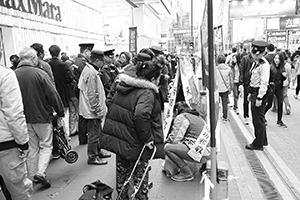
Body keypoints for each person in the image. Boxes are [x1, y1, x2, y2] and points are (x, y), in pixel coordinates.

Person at [100, 60, 164, 199]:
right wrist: (147, 139)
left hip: (121, 138)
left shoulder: (124, 85)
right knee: (140, 179)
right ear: (153, 78)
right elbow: (141, 115)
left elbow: (112, 104)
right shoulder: (147, 93)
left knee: (122, 176)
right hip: (137, 143)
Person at [15, 47, 64, 188]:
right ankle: (41, 173)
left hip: (24, 118)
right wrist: (60, 112)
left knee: (32, 147)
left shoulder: (13, 75)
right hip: (42, 115)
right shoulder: (39, 73)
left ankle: (32, 176)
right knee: (46, 145)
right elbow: (53, 94)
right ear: (33, 58)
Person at [0, 53, 33, 200]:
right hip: (5, 145)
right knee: (19, 192)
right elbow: (14, 113)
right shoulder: (5, 75)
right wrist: (23, 142)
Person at [78, 50, 110, 165]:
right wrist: (98, 110)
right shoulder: (91, 73)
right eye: (102, 61)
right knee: (94, 134)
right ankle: (92, 156)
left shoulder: (90, 70)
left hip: (90, 109)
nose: (104, 64)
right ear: (97, 61)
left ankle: (98, 150)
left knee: (98, 132)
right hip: (92, 110)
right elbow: (92, 94)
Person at [164, 101, 210, 182]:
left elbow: (175, 139)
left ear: (176, 111)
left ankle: (186, 173)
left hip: (200, 154)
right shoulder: (198, 117)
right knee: (180, 146)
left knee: (168, 148)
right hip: (208, 153)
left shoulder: (182, 117)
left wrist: (165, 141)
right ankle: (200, 168)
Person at [245, 41, 270, 151]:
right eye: (253, 53)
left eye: (256, 54)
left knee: (258, 120)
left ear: (262, 53)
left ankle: (258, 143)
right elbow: (253, 79)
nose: (254, 56)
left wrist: (260, 97)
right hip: (254, 92)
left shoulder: (264, 65)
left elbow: (264, 82)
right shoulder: (256, 63)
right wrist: (251, 93)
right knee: (259, 118)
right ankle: (263, 140)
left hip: (259, 94)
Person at [74, 43, 94, 145]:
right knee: (85, 116)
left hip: (76, 92)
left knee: (81, 115)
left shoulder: (75, 61)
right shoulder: (83, 63)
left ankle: (82, 138)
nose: (91, 55)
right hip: (83, 92)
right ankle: (85, 138)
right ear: (86, 51)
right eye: (90, 52)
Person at [264, 52, 287, 128]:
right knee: (269, 104)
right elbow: (267, 78)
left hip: (279, 87)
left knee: (280, 103)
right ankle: (262, 116)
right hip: (271, 87)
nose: (276, 60)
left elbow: (283, 79)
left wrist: (284, 76)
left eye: (278, 58)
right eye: (275, 58)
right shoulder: (270, 68)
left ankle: (279, 120)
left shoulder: (282, 68)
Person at [239, 49, 255, 125]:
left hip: (255, 82)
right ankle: (246, 116)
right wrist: (241, 83)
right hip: (247, 82)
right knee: (246, 100)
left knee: (255, 100)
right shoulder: (245, 59)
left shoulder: (260, 59)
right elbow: (241, 70)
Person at [216, 54, 233, 122]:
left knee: (216, 103)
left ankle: (216, 117)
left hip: (217, 89)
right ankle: (225, 117)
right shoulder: (228, 69)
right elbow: (231, 80)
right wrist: (230, 88)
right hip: (225, 89)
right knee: (224, 104)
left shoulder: (215, 69)